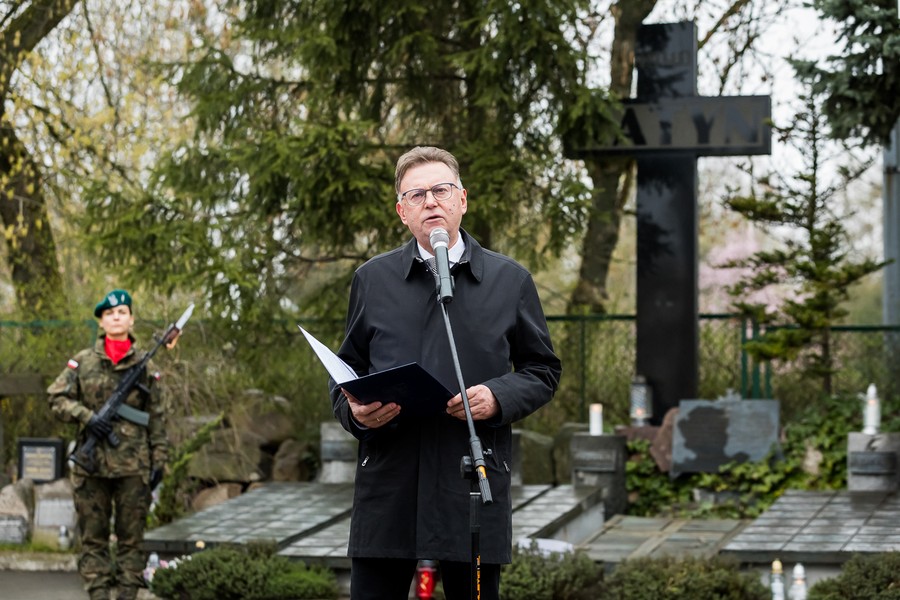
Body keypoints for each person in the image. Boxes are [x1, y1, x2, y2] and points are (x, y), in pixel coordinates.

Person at [330, 146, 562, 600]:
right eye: (416, 195)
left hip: (470, 481)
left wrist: (498, 396)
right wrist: (354, 413)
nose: (431, 202)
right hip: (389, 483)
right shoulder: (372, 280)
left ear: (462, 199)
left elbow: (542, 370)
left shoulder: (509, 281)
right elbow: (345, 371)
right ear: (402, 211)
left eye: (441, 190)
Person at [47, 289, 169, 600]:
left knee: (132, 541)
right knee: (93, 540)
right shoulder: (82, 362)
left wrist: (159, 460)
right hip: (91, 466)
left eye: (122, 312)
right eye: (109, 314)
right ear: (101, 322)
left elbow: (157, 416)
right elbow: (56, 398)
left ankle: (127, 595)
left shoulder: (145, 365)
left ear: (131, 319)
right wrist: (87, 417)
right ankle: (99, 595)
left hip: (133, 466)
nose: (116, 318)